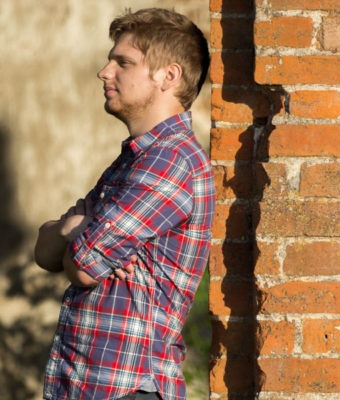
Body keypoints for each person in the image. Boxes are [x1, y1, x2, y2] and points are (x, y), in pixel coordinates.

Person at [33, 8, 213, 400]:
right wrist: (71, 230)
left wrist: (81, 233)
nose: (105, 72)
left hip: (129, 387)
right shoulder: (134, 160)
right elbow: (46, 253)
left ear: (169, 76)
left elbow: (81, 265)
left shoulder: (169, 160)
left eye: (123, 62)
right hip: (89, 384)